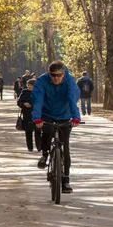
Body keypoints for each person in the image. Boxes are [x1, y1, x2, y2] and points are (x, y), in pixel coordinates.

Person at [31, 60, 81, 193]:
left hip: (65, 114)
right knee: (46, 131)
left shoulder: (70, 81)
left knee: (65, 147)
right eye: (53, 75)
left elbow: (72, 98)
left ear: (64, 74)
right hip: (47, 113)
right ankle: (45, 153)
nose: (56, 78)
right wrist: (36, 117)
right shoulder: (42, 81)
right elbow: (38, 99)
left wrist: (76, 117)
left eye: (59, 75)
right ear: (49, 73)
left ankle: (66, 180)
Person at [17, 79, 41, 152]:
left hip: (37, 114)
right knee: (28, 131)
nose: (30, 87)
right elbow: (19, 102)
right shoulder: (24, 92)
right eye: (29, 85)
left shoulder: (39, 92)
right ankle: (30, 147)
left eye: (32, 85)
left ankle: (39, 147)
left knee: (38, 131)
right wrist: (24, 104)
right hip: (27, 114)